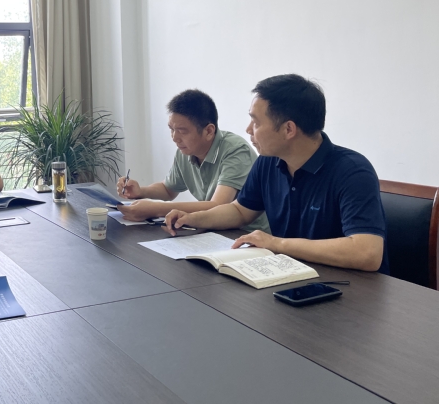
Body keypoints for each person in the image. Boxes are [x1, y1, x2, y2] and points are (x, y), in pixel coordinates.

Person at [164, 74, 388, 273]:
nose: (248, 129)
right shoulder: (268, 161)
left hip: (352, 292)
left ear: (289, 129)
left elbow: (367, 253)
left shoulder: (353, 172)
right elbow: (240, 211)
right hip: (291, 275)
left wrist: (276, 243)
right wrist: (193, 218)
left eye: (256, 122)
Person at [116, 89, 268, 232]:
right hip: (211, 229)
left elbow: (218, 205)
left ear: (209, 131)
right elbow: (168, 189)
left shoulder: (236, 150)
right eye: (171, 129)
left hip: (245, 233)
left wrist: (156, 209)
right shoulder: (185, 151)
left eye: (182, 131)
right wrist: (141, 191)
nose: (175, 138)